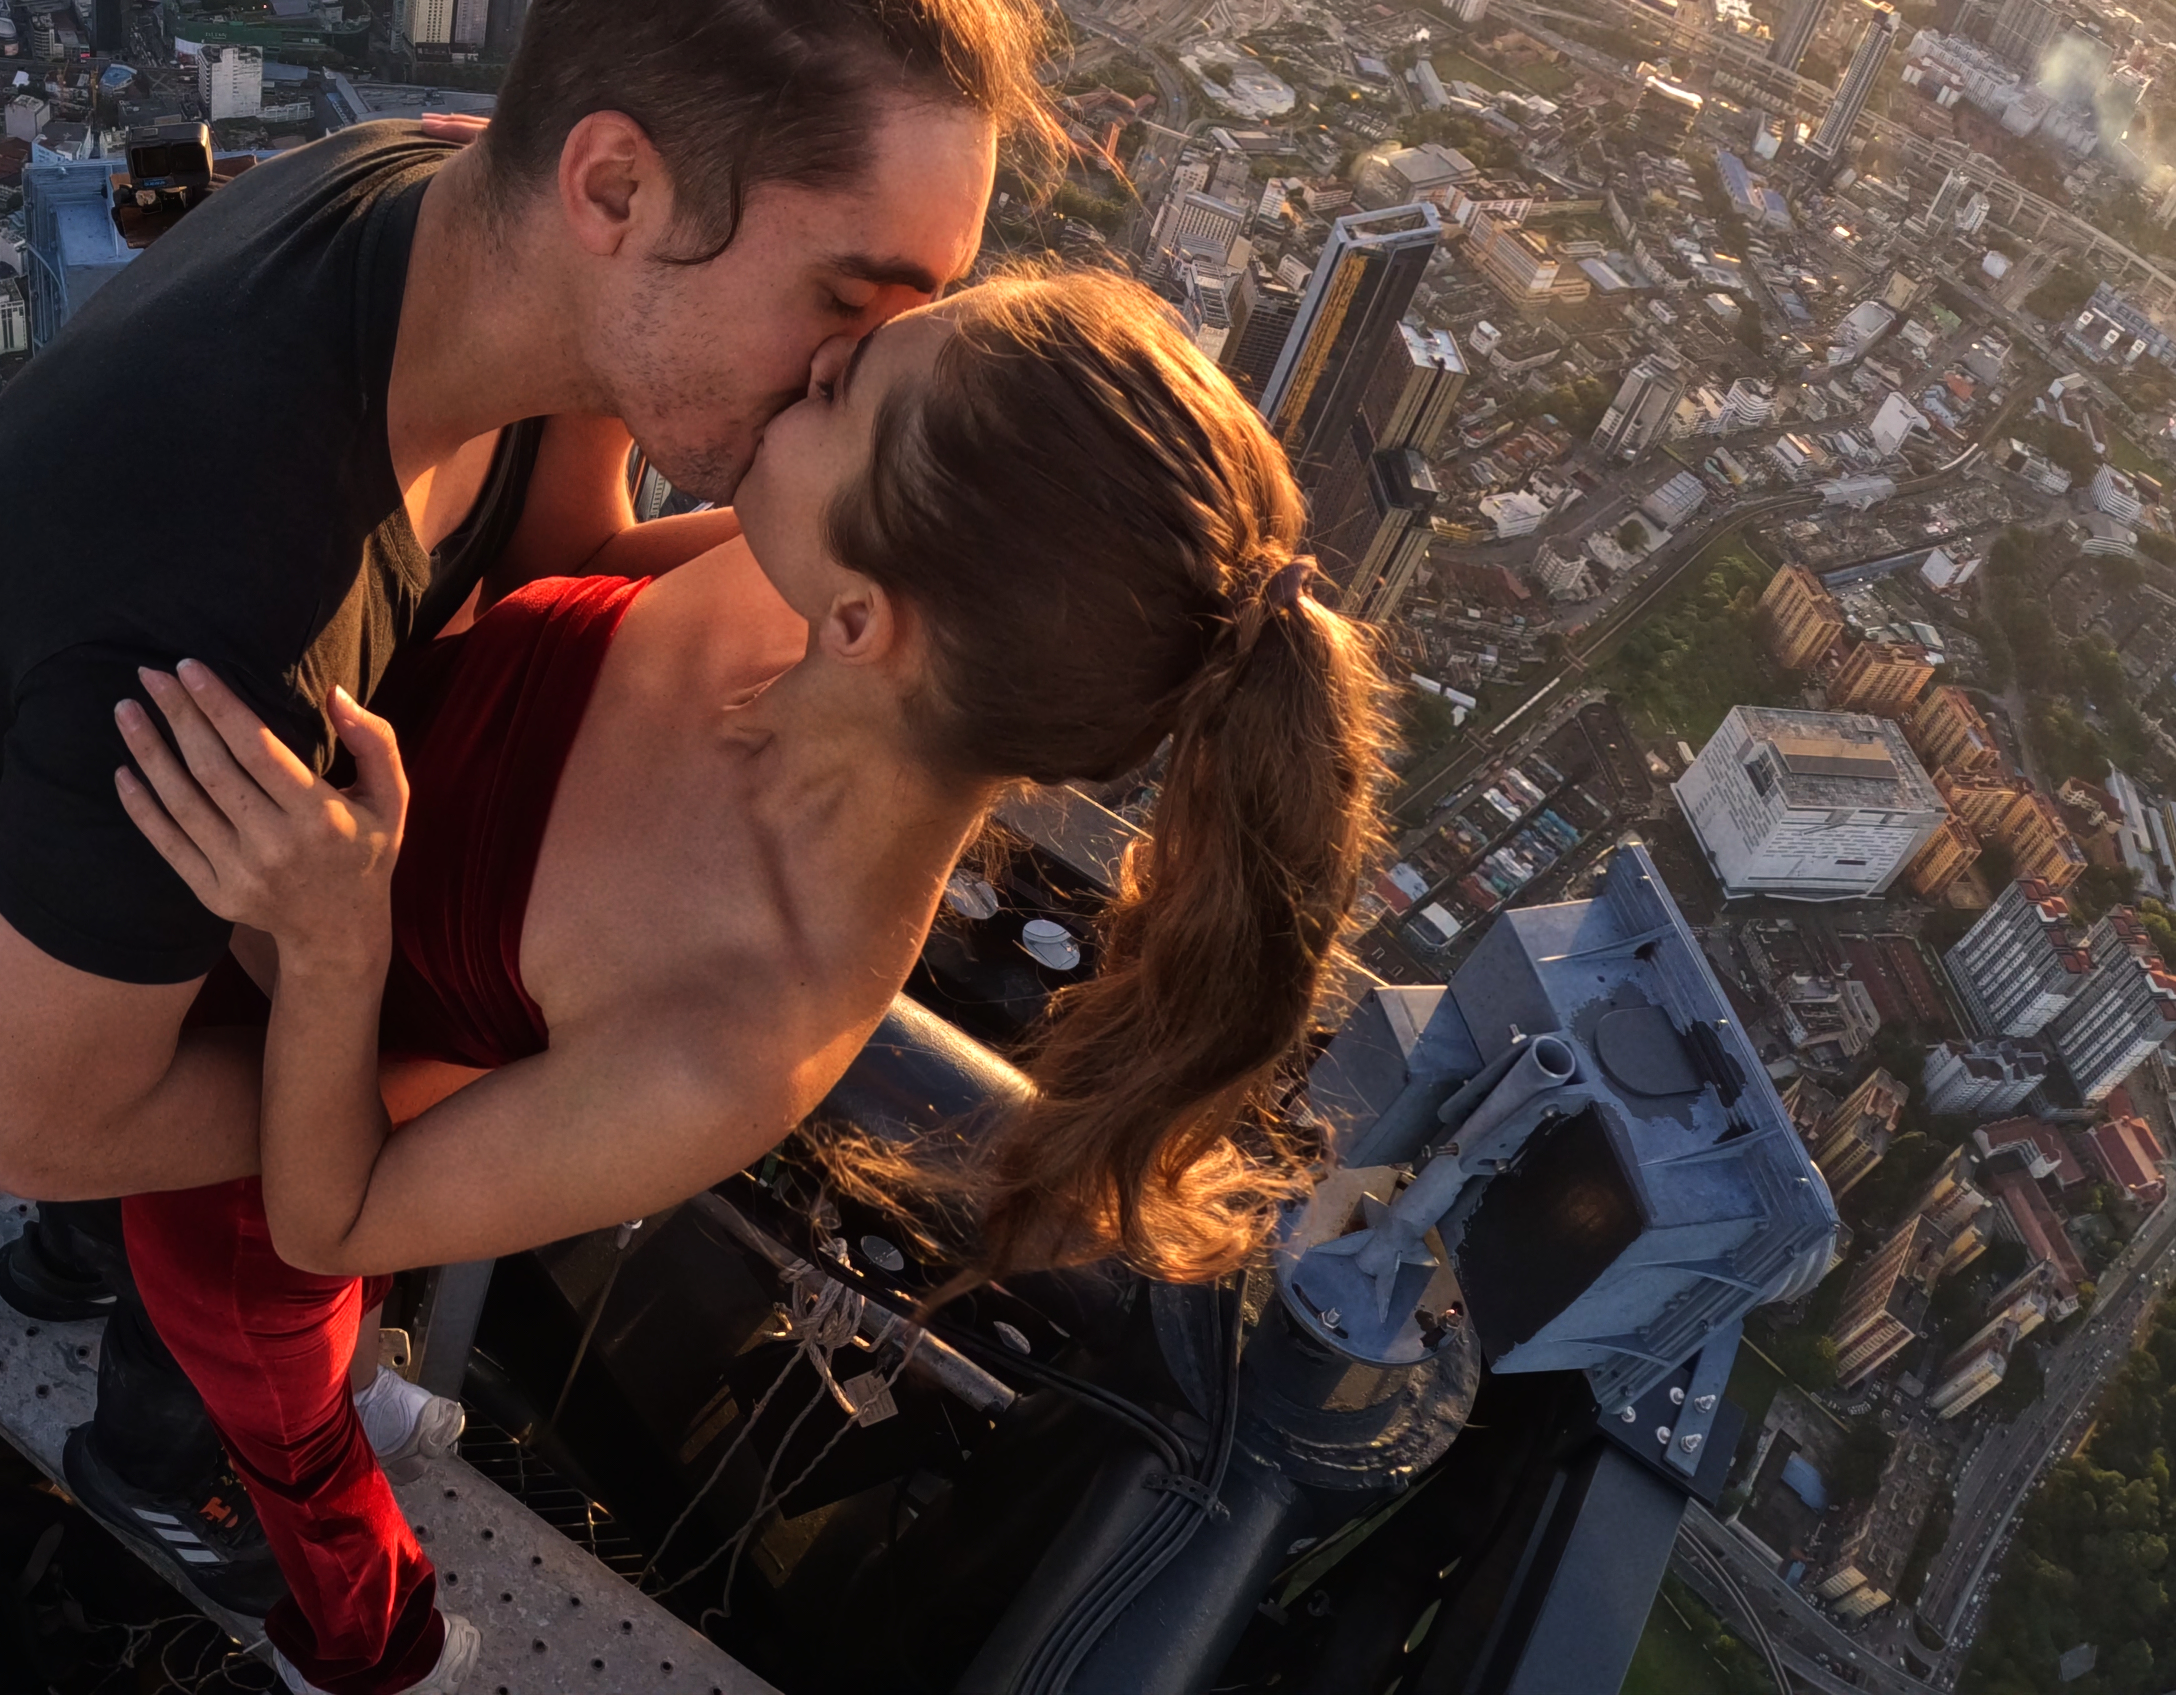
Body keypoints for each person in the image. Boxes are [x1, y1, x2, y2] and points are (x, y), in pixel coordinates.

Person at [0, 0, 1060, 1606]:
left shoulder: (494, 242)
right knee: (245, 1226)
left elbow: (547, 559)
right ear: (617, 186)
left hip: (167, 889)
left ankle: (74, 1275)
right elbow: (40, 1114)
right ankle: (168, 1487)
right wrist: (391, 1020)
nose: (855, 379)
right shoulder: (219, 601)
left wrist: (886, 643)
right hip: (23, 1004)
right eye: (849, 303)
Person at [109, 272, 1398, 1695]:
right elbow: (573, 564)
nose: (823, 355)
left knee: (289, 1441)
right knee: (313, 1355)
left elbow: (331, 1212)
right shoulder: (791, 581)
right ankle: (351, 1381)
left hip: (252, 1168)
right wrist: (597, 367)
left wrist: (337, 937)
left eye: (845, 388)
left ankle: (374, 1648)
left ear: (867, 625)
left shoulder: (739, 1024)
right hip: (294, 976)